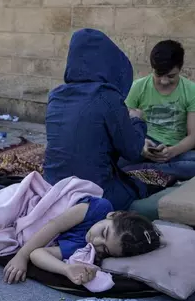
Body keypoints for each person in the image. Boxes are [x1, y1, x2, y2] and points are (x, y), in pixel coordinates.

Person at [43, 28, 150, 211]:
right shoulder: (107, 97)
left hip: (52, 190)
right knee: (142, 186)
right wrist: (136, 121)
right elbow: (132, 151)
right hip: (93, 196)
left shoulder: (56, 95)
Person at [3, 195, 161, 285]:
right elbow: (54, 224)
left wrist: (66, 269)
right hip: (35, 202)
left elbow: (38, 253)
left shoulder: (83, 248)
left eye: (105, 249)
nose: (96, 241)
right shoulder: (99, 208)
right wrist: (21, 255)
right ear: (113, 215)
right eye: (104, 233)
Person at [123, 40, 195, 180]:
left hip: (174, 151)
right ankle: (157, 174)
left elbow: (194, 136)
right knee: (109, 157)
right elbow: (124, 128)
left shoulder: (192, 90)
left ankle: (142, 172)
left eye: (170, 76)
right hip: (143, 146)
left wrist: (171, 152)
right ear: (152, 68)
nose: (164, 81)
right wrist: (141, 144)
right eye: (159, 75)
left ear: (180, 68)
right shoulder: (138, 87)